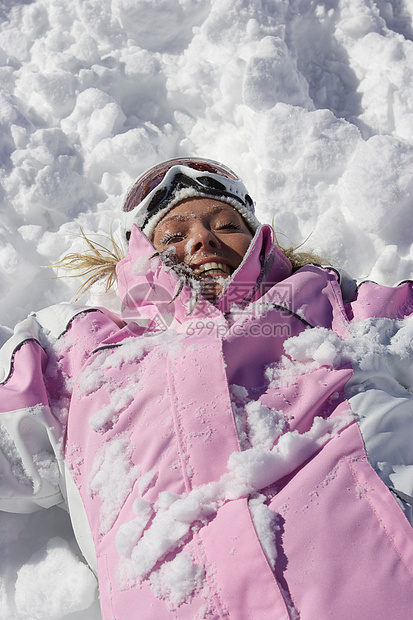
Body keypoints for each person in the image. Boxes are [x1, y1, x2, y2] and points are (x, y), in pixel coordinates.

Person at [1, 157, 413, 619]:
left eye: (225, 224)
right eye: (173, 235)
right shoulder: (81, 353)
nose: (202, 238)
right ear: (140, 257)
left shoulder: (339, 304)